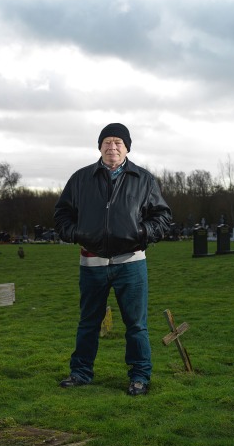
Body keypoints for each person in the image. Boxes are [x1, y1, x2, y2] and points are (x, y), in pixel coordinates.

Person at [54, 123, 171, 396]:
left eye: (118, 142)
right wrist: (78, 233)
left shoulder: (143, 179)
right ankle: (81, 373)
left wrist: (141, 232)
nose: (112, 147)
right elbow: (61, 215)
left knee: (136, 324)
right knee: (88, 322)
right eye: (107, 142)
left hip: (131, 263)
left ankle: (140, 376)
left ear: (127, 147)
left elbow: (163, 217)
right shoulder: (81, 179)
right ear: (99, 147)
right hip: (92, 263)